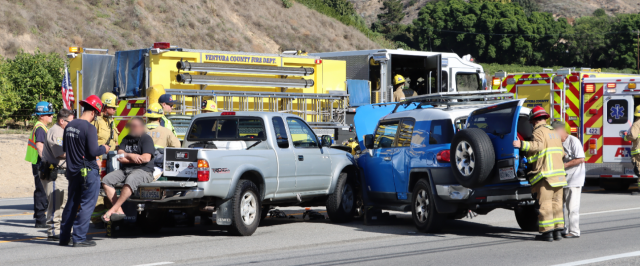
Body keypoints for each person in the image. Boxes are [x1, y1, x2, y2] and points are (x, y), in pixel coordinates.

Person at [60, 95, 110, 247]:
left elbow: (65, 149)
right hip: (88, 172)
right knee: (87, 204)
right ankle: (79, 238)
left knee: (72, 204)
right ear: (94, 112)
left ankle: (64, 237)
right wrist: (105, 148)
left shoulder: (69, 125)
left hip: (72, 171)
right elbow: (94, 150)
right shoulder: (89, 127)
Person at [513, 106, 567, 242]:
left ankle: (547, 233)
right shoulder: (554, 132)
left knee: (546, 204)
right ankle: (558, 231)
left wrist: (521, 145)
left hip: (546, 176)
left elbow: (537, 146)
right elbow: (562, 153)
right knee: (557, 203)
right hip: (559, 176)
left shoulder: (539, 131)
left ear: (534, 121)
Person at [101, 117, 155, 222]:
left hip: (144, 171)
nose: (132, 128)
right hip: (126, 170)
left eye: (135, 126)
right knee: (106, 180)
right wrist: (132, 155)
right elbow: (120, 156)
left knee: (131, 179)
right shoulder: (126, 138)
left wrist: (127, 158)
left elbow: (146, 158)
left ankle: (113, 209)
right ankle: (119, 210)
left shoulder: (146, 139)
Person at [40, 108, 74, 241]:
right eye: (70, 122)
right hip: (55, 172)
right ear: (61, 121)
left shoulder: (63, 130)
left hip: (62, 173)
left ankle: (62, 229)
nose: (72, 124)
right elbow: (60, 153)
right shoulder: (56, 132)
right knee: (56, 203)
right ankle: (54, 231)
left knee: (63, 203)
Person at [90, 92, 120, 225]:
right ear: (104, 106)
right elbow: (90, 142)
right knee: (97, 190)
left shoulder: (111, 121)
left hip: (111, 161)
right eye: (112, 108)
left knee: (110, 188)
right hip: (98, 160)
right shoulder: (96, 121)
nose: (114, 110)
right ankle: (96, 219)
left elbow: (115, 141)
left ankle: (109, 216)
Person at [552, 121, 585, 239]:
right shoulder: (556, 142)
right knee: (559, 206)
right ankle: (563, 229)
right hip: (561, 179)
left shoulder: (573, 141)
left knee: (572, 208)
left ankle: (575, 231)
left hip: (574, 179)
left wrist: (564, 166)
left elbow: (581, 159)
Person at [26, 101, 54, 228]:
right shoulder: (40, 128)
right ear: (41, 116)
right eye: (48, 114)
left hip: (38, 162)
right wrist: (45, 162)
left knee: (41, 190)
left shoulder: (40, 126)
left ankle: (39, 216)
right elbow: (39, 146)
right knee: (41, 191)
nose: (51, 116)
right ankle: (40, 219)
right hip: (40, 163)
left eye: (51, 114)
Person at [145, 103, 181, 179]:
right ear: (159, 118)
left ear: (148, 117)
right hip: (160, 166)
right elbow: (177, 146)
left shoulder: (138, 131)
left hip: (142, 166)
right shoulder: (166, 131)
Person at [625, 105, 640, 195]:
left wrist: (626, 137)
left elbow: (633, 136)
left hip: (638, 151)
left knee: (639, 169)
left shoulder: (637, 124)